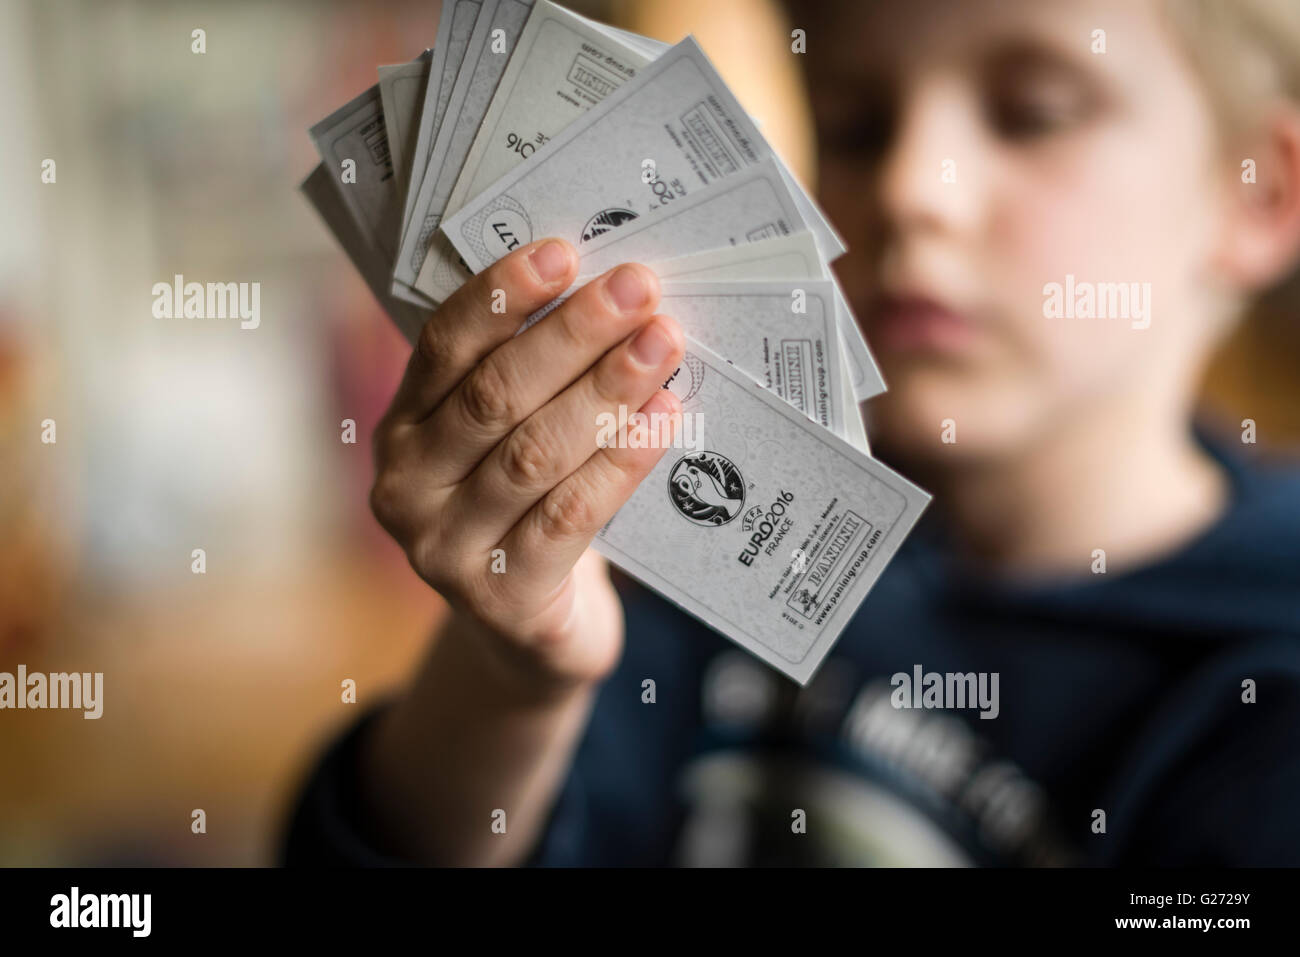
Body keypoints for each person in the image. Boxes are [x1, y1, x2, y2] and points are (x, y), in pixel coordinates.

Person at [282, 0, 1300, 866]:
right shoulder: (672, 525)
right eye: (852, 126)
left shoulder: (1268, 676)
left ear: (1260, 192)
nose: (908, 189)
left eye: (1030, 115)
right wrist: (511, 677)